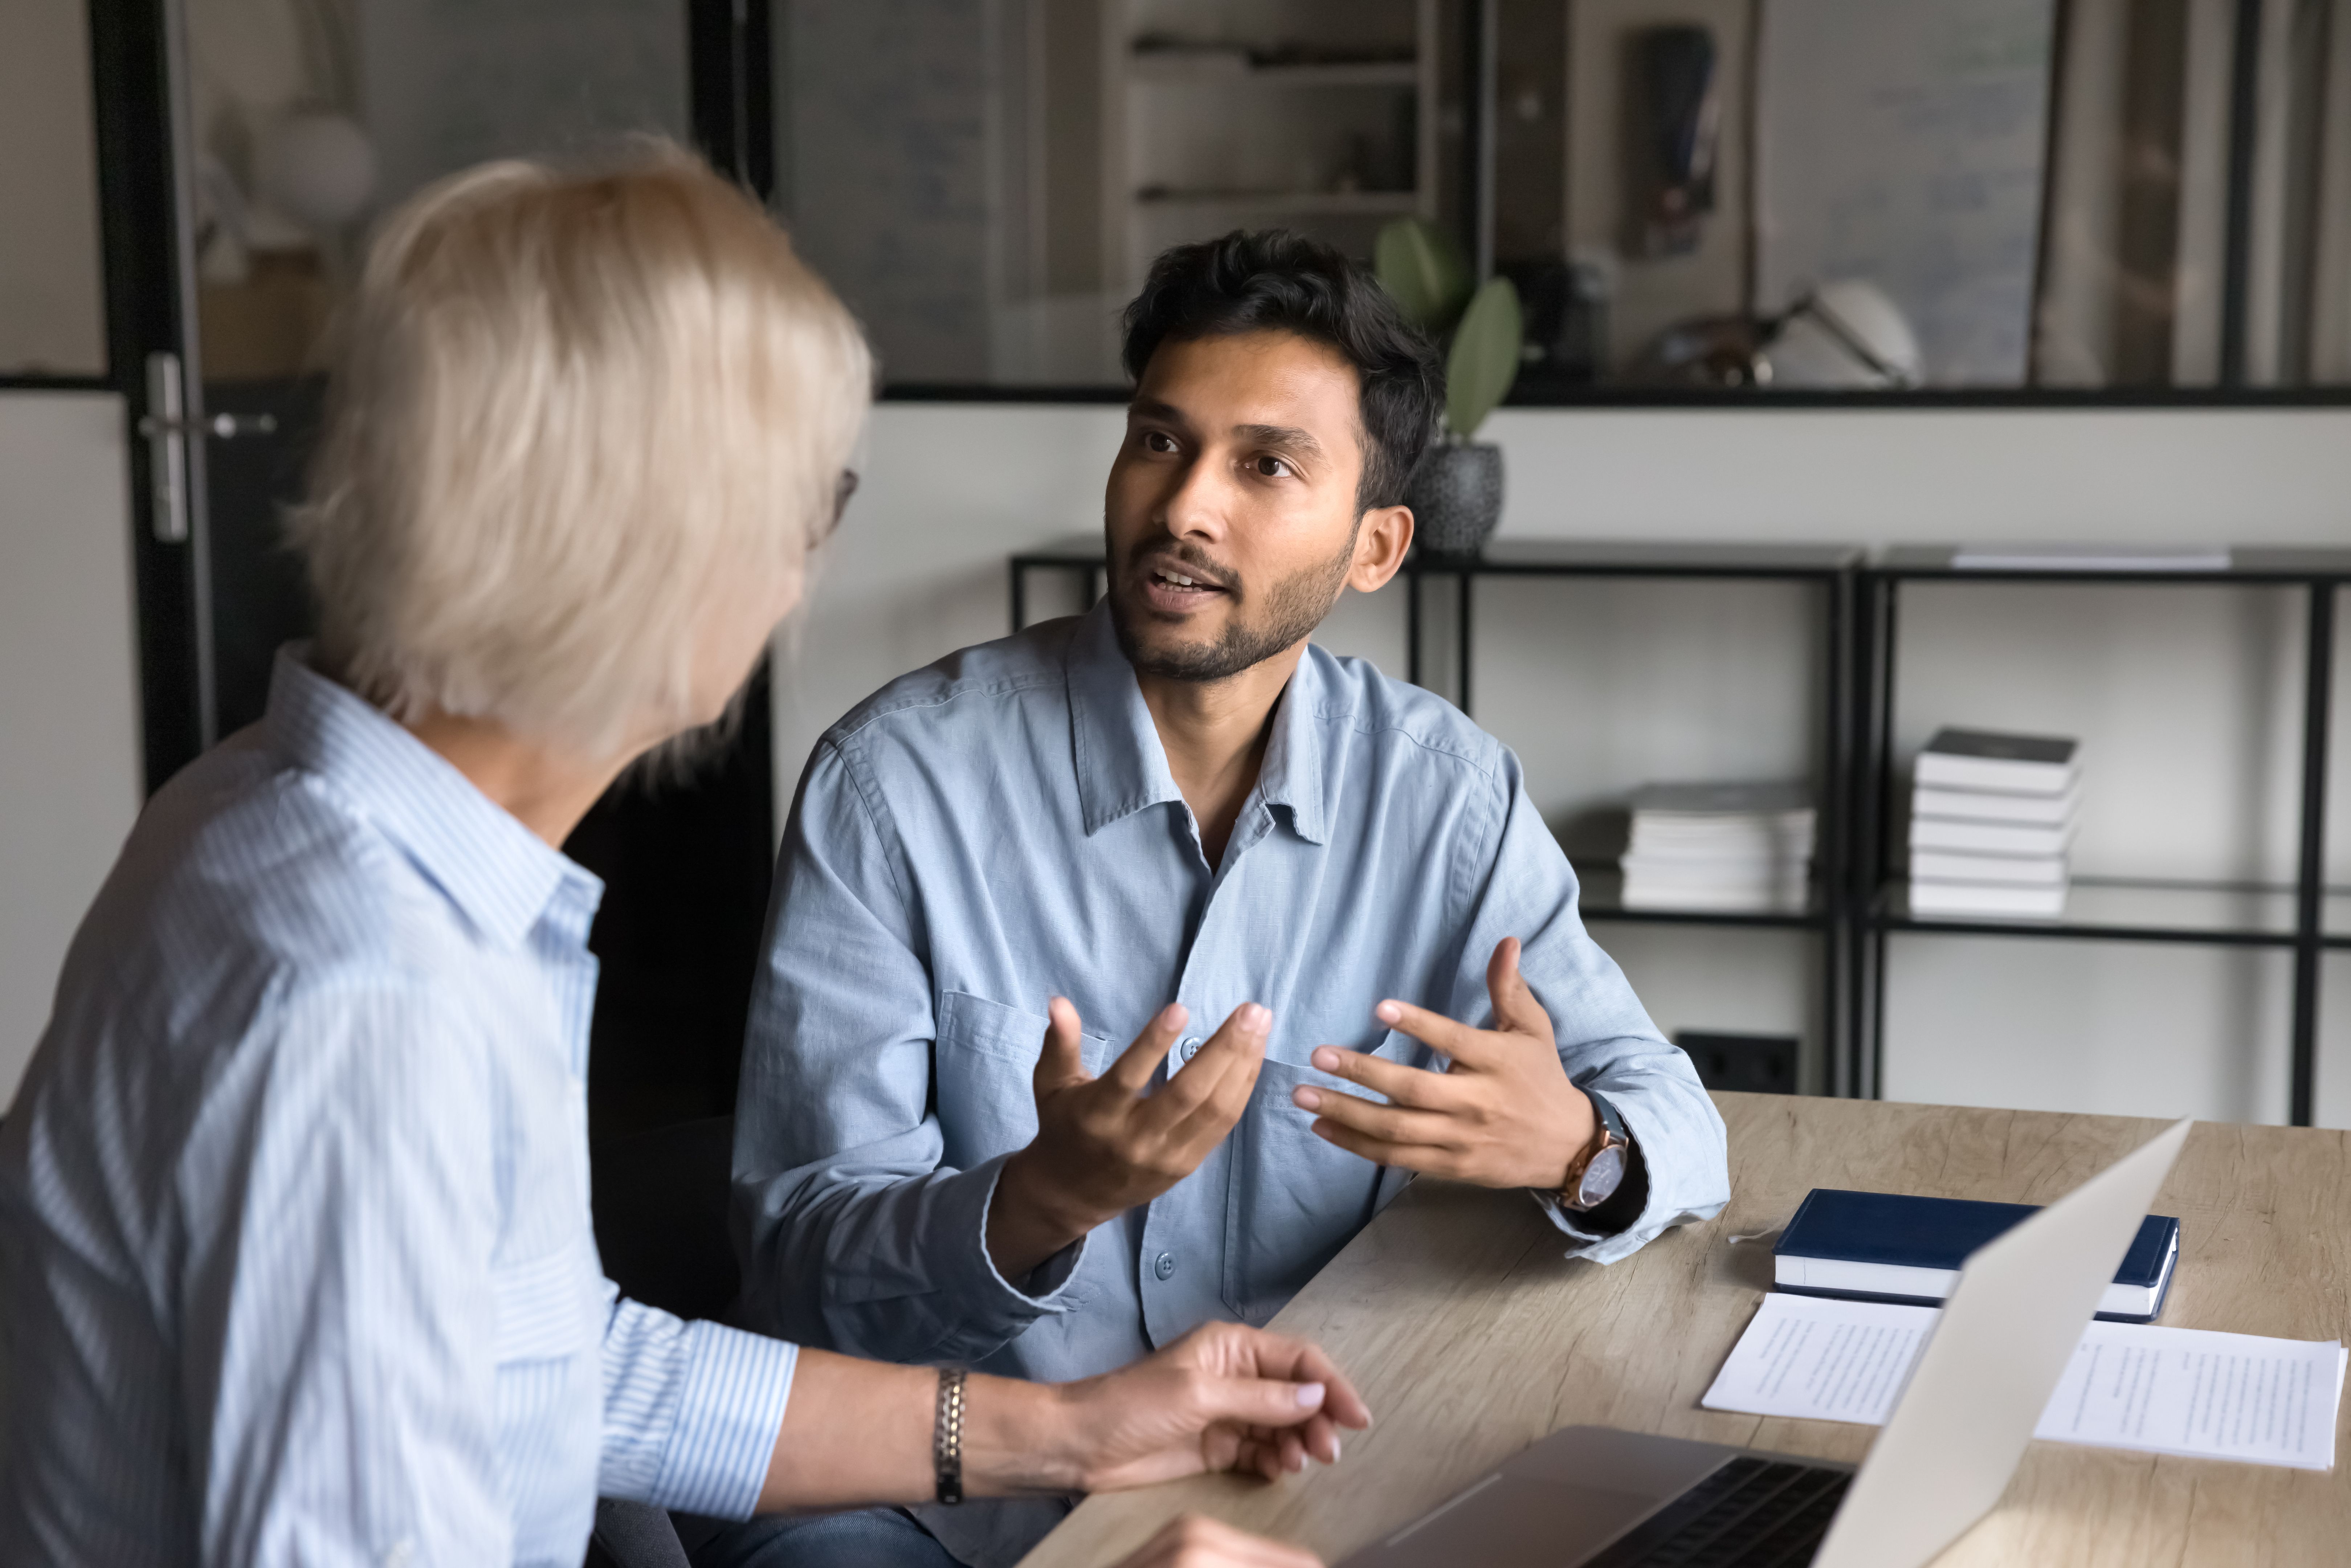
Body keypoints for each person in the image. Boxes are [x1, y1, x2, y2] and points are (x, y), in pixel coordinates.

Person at [0, 150, 1362, 1568]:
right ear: (673, 553)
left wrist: (1070, 1431)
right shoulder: (372, 1008)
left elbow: (553, 1366)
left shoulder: (264, 811)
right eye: (815, 504)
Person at [725, 229, 1734, 1568]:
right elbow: (797, 1270)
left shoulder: (1445, 797)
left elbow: (1680, 1127)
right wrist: (1033, 1203)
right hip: (935, 1506)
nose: (1185, 506)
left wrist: (1577, 1150)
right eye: (1159, 441)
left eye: (1266, 465)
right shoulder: (893, 786)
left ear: (1375, 546)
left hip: (1295, 1496)